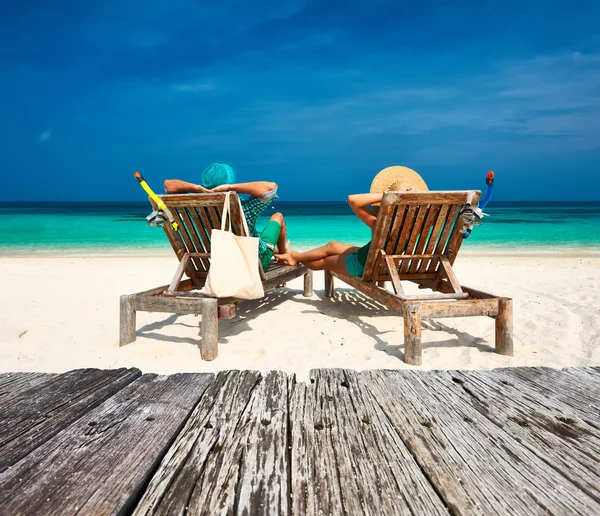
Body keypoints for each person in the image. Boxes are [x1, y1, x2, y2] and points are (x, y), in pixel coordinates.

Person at [275, 166, 428, 277]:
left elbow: (352, 200)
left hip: (364, 264)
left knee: (323, 262)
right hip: (379, 260)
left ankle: (294, 257)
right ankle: (293, 255)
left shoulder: (381, 224)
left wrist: (388, 195)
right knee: (332, 245)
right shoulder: (421, 225)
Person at [164, 162, 288, 272]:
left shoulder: (196, 208)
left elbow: (168, 185)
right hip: (253, 266)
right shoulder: (244, 209)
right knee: (278, 216)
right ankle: (284, 256)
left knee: (258, 236)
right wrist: (230, 188)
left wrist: (196, 188)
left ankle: (278, 251)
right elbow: (271, 187)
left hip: (220, 264)